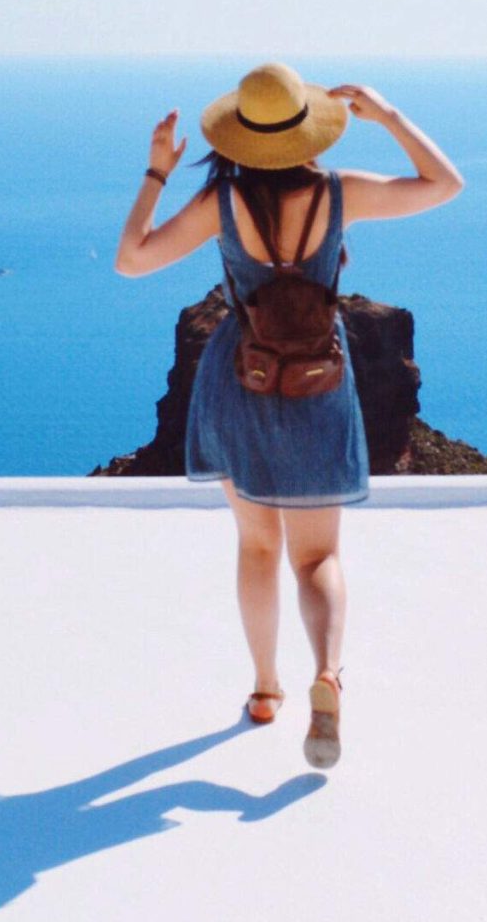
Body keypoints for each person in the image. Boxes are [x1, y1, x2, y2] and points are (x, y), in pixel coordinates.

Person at [114, 62, 464, 768]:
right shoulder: (342, 194)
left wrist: (156, 172)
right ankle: (328, 674)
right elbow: (445, 183)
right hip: (318, 385)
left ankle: (266, 689)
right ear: (309, 129)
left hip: (239, 384)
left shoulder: (222, 201)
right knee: (319, 555)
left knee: (257, 547)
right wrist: (389, 114)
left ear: (239, 138)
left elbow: (132, 258)